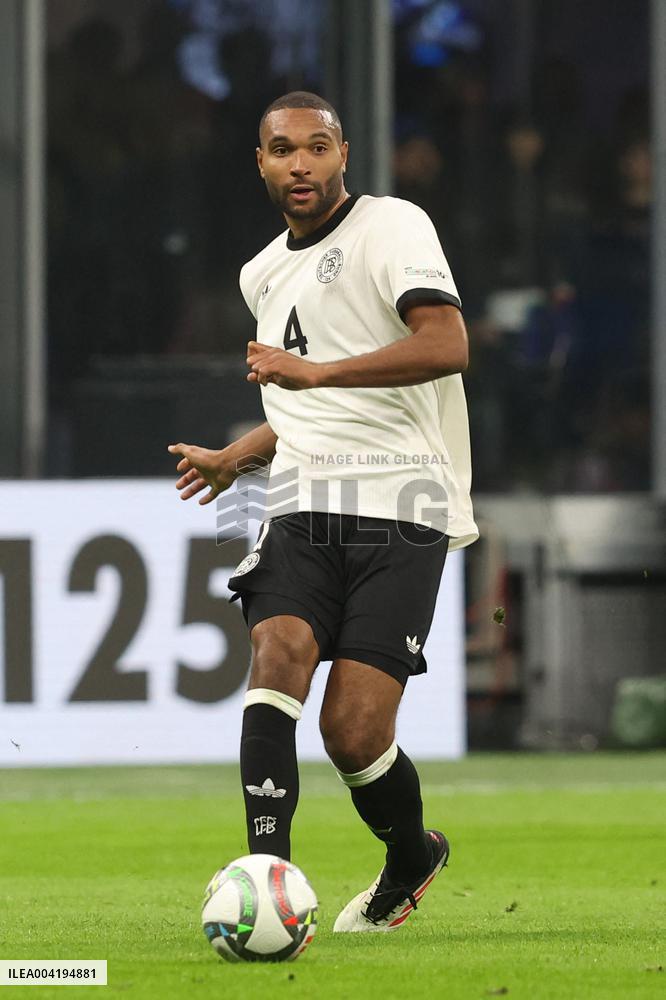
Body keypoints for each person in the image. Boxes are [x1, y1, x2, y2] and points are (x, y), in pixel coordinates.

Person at [168, 91, 478, 933]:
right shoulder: (261, 272)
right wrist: (238, 456)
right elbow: (309, 408)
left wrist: (319, 376)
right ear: (260, 163)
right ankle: (265, 871)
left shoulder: (392, 226)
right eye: (281, 150)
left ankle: (412, 855)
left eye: (315, 147)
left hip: (405, 499)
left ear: (343, 154)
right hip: (305, 496)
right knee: (279, 648)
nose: (299, 163)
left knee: (353, 729)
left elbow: (447, 343)